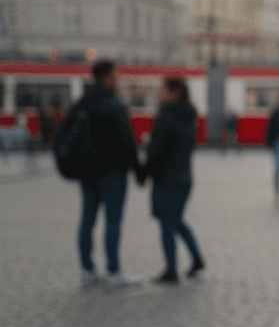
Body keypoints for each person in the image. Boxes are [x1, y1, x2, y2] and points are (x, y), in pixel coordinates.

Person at [66, 61, 143, 288]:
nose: (117, 79)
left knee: (87, 219)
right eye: (116, 75)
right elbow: (127, 142)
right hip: (113, 172)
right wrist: (138, 171)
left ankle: (87, 270)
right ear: (108, 76)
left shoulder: (81, 103)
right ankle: (113, 270)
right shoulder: (114, 105)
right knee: (113, 221)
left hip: (87, 172)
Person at [137, 77, 205, 284]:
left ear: (174, 92)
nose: (158, 94)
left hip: (166, 178)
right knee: (176, 220)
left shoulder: (165, 116)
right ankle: (197, 259)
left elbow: (156, 152)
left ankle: (171, 270)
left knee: (168, 222)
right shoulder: (189, 116)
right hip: (184, 176)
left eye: (162, 90)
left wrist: (143, 174)